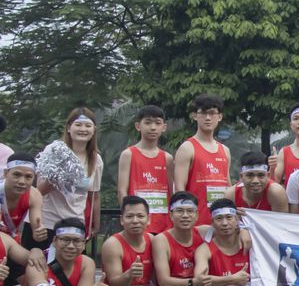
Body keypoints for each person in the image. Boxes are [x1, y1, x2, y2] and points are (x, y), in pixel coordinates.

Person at [36, 106, 105, 237]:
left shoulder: (96, 160)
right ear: (69, 128)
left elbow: (94, 195)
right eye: (78, 125)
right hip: (46, 223)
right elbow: (39, 191)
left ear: (94, 130)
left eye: (88, 126)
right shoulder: (54, 150)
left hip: (75, 225)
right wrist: (58, 175)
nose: (83, 129)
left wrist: (96, 224)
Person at [174, 94, 231, 227]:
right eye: (203, 113)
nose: (208, 118)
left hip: (221, 223)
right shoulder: (187, 148)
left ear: (220, 116)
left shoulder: (225, 150)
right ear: (195, 116)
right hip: (195, 224)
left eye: (212, 113)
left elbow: (228, 187)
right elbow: (179, 189)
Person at [117, 104, 173, 234]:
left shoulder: (168, 158)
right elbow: (121, 190)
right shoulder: (128, 154)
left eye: (157, 123)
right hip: (138, 225)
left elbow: (171, 191)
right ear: (138, 126)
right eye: (147, 122)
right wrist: (129, 217)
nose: (153, 127)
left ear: (164, 127)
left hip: (164, 226)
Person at [0, 153, 46, 251]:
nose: (22, 181)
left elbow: (36, 227)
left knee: (35, 258)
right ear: (6, 173)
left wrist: (39, 233)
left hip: (12, 244)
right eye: (16, 175)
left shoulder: (34, 195)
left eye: (28, 177)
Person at [272, 101, 299, 185]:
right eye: (296, 118)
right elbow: (274, 184)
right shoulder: (284, 153)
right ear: (291, 125)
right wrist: (272, 167)